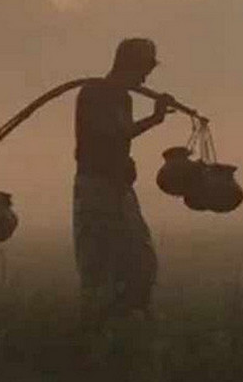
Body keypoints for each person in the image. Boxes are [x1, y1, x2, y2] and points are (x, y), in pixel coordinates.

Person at [73, 37, 174, 326]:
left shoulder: (122, 97)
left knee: (140, 257)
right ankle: (96, 327)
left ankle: (132, 317)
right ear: (128, 65)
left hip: (119, 189)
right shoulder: (95, 94)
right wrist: (154, 118)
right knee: (98, 260)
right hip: (96, 188)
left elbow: (122, 132)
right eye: (143, 69)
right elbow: (114, 132)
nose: (145, 77)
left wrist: (154, 119)